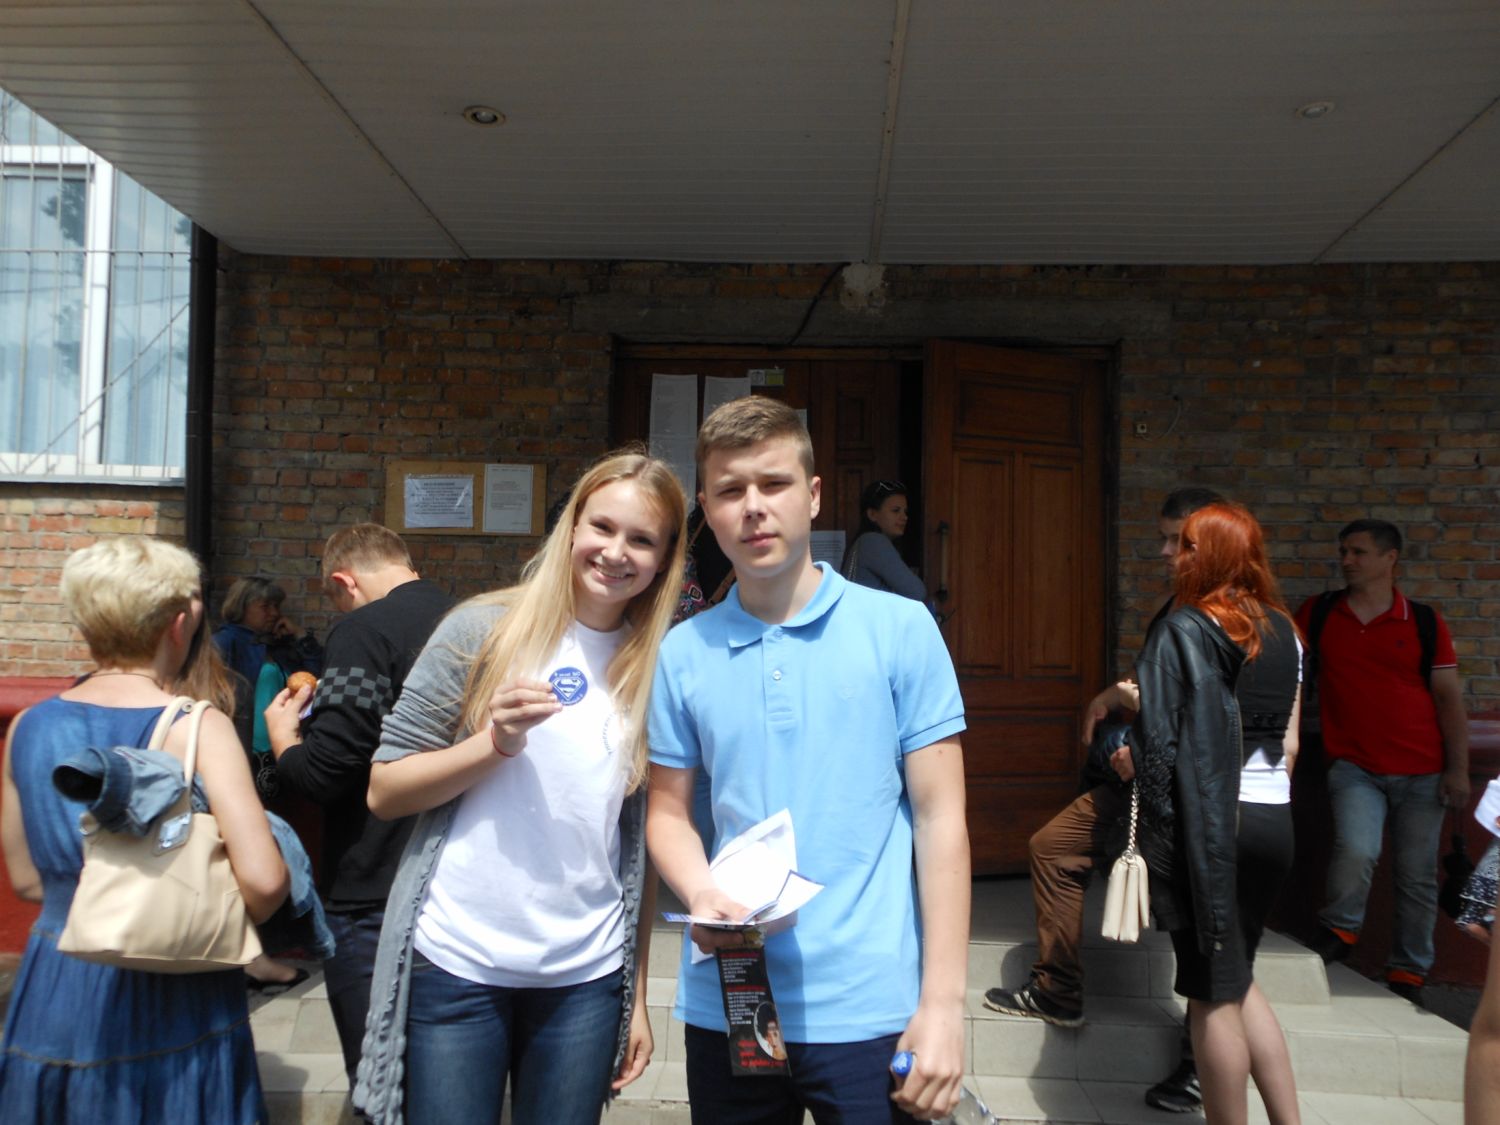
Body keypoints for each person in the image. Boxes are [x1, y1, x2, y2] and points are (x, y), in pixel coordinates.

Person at [646, 396, 970, 1124]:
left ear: (814, 494)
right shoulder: (683, 652)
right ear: (706, 509)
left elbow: (941, 819)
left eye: (774, 483)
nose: (753, 507)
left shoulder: (900, 628)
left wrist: (944, 1005)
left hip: (870, 1003)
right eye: (730, 490)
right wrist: (699, 889)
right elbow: (667, 813)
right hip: (736, 995)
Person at [353, 449, 686, 1125]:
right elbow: (385, 790)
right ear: (572, 527)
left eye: (642, 539)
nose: (615, 552)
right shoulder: (482, 631)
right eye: (602, 526)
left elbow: (636, 848)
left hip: (585, 980)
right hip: (457, 965)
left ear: (664, 558)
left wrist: (636, 994)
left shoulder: (655, 664)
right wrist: (494, 743)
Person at [0, 537, 290, 1123]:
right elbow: (264, 881)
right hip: (174, 983)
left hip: (58, 980)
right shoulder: (198, 726)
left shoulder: (28, 724)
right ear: (179, 624)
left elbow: (27, 878)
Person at [982, 486, 1222, 1115]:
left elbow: (1224, 717)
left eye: (1178, 541)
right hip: (1140, 785)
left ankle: (1201, 1062)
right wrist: (1114, 697)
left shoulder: (1234, 619)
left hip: (1200, 802)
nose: (1164, 552)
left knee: (1199, 933)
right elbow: (1157, 689)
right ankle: (1058, 989)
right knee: (1054, 846)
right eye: (1164, 538)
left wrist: (1149, 738)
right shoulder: (1177, 608)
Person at [261, 523, 454, 1088]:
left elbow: (327, 771)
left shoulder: (363, 630)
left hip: (374, 888)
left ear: (345, 582)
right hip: (456, 884)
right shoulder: (468, 620)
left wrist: (283, 739)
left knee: (382, 1080)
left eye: (335, 598)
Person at [1130, 503, 1302, 1125]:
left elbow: (1159, 745)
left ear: (1216, 556)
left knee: (1210, 996)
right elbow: (1290, 744)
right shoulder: (1286, 630)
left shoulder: (1185, 628)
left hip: (1211, 829)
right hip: (1272, 820)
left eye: (1185, 546)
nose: (1170, 555)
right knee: (1237, 979)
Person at [1296, 519, 1470, 1004]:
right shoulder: (1320, 612)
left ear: (1390, 558)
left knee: (1416, 874)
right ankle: (1340, 930)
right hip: (1353, 764)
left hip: (1424, 769)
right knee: (1357, 848)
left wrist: (1458, 769)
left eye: (1358, 552)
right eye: (1343, 551)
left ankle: (1408, 973)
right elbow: (1285, 669)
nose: (1347, 560)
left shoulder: (1424, 622)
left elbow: (1449, 700)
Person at [842, 478, 927, 602]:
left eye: (905, 512)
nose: (904, 517)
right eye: (895, 511)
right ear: (872, 514)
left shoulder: (865, 541)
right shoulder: (873, 541)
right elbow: (917, 592)